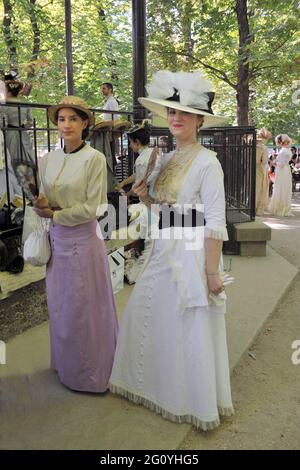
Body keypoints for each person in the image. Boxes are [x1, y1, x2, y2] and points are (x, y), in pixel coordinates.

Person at [109, 70, 234, 430]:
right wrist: (147, 196)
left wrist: (211, 272)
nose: (176, 118)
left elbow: (214, 220)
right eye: (171, 112)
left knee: (188, 324)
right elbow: (161, 209)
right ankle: (151, 386)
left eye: (184, 113)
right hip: (163, 246)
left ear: (199, 120)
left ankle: (190, 399)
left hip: (193, 251)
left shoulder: (208, 162)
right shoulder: (164, 157)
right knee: (149, 312)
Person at [33, 96, 118, 393]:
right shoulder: (49, 159)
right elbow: (44, 196)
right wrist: (39, 204)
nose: (66, 124)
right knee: (61, 307)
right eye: (61, 119)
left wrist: (56, 214)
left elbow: (96, 207)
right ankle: (66, 366)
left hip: (82, 242)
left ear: (84, 123)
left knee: (84, 309)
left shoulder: (94, 159)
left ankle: (90, 375)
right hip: (57, 242)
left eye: (72, 119)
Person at [0, 72, 34, 169]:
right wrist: (22, 127)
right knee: (26, 158)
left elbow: (3, 123)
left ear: (9, 92)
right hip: (23, 134)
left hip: (9, 134)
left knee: (10, 158)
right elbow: (30, 123)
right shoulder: (25, 105)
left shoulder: (3, 106)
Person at [115, 119, 153, 196]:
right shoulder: (152, 152)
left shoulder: (141, 160)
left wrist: (126, 195)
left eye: (131, 142)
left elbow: (139, 186)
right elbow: (139, 174)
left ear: (137, 142)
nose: (130, 145)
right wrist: (124, 182)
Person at [269, 134, 293, 217]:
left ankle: (279, 208)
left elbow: (281, 164)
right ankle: (285, 207)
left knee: (280, 187)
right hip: (286, 170)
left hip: (282, 170)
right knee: (285, 188)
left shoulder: (283, 151)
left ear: (280, 142)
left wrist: (273, 163)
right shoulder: (288, 150)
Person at [255, 127, 272, 216]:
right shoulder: (263, 148)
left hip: (249, 168)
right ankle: (258, 209)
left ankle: (249, 206)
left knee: (249, 187)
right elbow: (265, 161)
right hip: (259, 169)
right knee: (259, 188)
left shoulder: (250, 146)